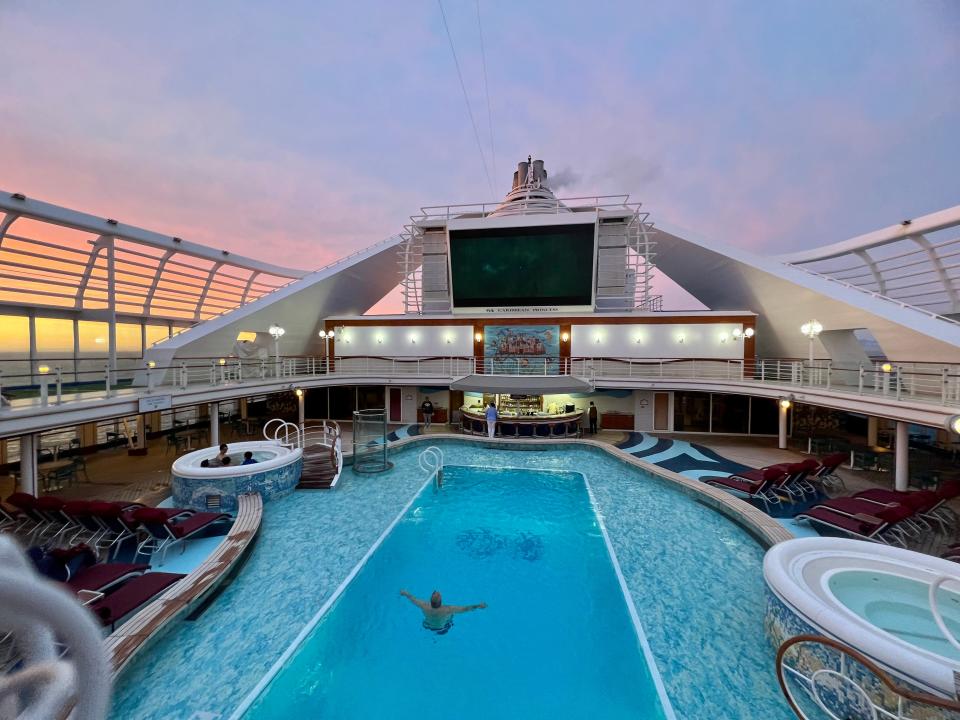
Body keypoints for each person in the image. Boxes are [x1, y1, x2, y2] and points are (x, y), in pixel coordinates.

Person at [399, 589, 486, 634]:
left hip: (427, 625)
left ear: (430, 601)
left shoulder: (424, 605)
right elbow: (465, 609)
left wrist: (405, 593)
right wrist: (478, 605)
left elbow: (413, 599)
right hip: (442, 629)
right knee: (451, 616)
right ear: (441, 602)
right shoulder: (447, 609)